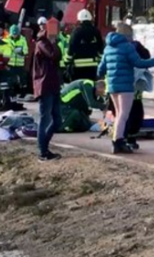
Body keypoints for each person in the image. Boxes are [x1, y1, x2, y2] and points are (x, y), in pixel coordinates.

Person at [97, 23, 154, 154]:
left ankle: (117, 140)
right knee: (123, 114)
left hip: (112, 85)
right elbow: (139, 63)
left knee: (118, 114)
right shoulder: (127, 47)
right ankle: (118, 142)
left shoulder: (108, 48)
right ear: (127, 36)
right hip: (125, 85)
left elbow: (101, 69)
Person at [33, 27, 63, 161]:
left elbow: (58, 56)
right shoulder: (42, 43)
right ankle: (42, 151)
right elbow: (53, 55)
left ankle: (44, 147)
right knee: (45, 118)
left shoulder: (46, 43)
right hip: (45, 86)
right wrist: (53, 43)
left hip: (52, 85)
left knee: (57, 120)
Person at [67, 9, 104, 82]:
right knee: (91, 86)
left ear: (80, 20)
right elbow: (100, 48)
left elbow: (71, 48)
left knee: (79, 88)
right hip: (92, 66)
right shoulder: (96, 31)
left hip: (78, 67)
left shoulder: (76, 32)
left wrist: (67, 62)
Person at [7, 24, 29, 97]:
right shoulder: (8, 39)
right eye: (13, 34)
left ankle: (23, 93)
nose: (14, 35)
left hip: (20, 64)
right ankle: (11, 93)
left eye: (16, 34)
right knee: (11, 79)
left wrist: (21, 52)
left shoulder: (23, 40)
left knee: (22, 79)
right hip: (10, 63)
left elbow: (26, 51)